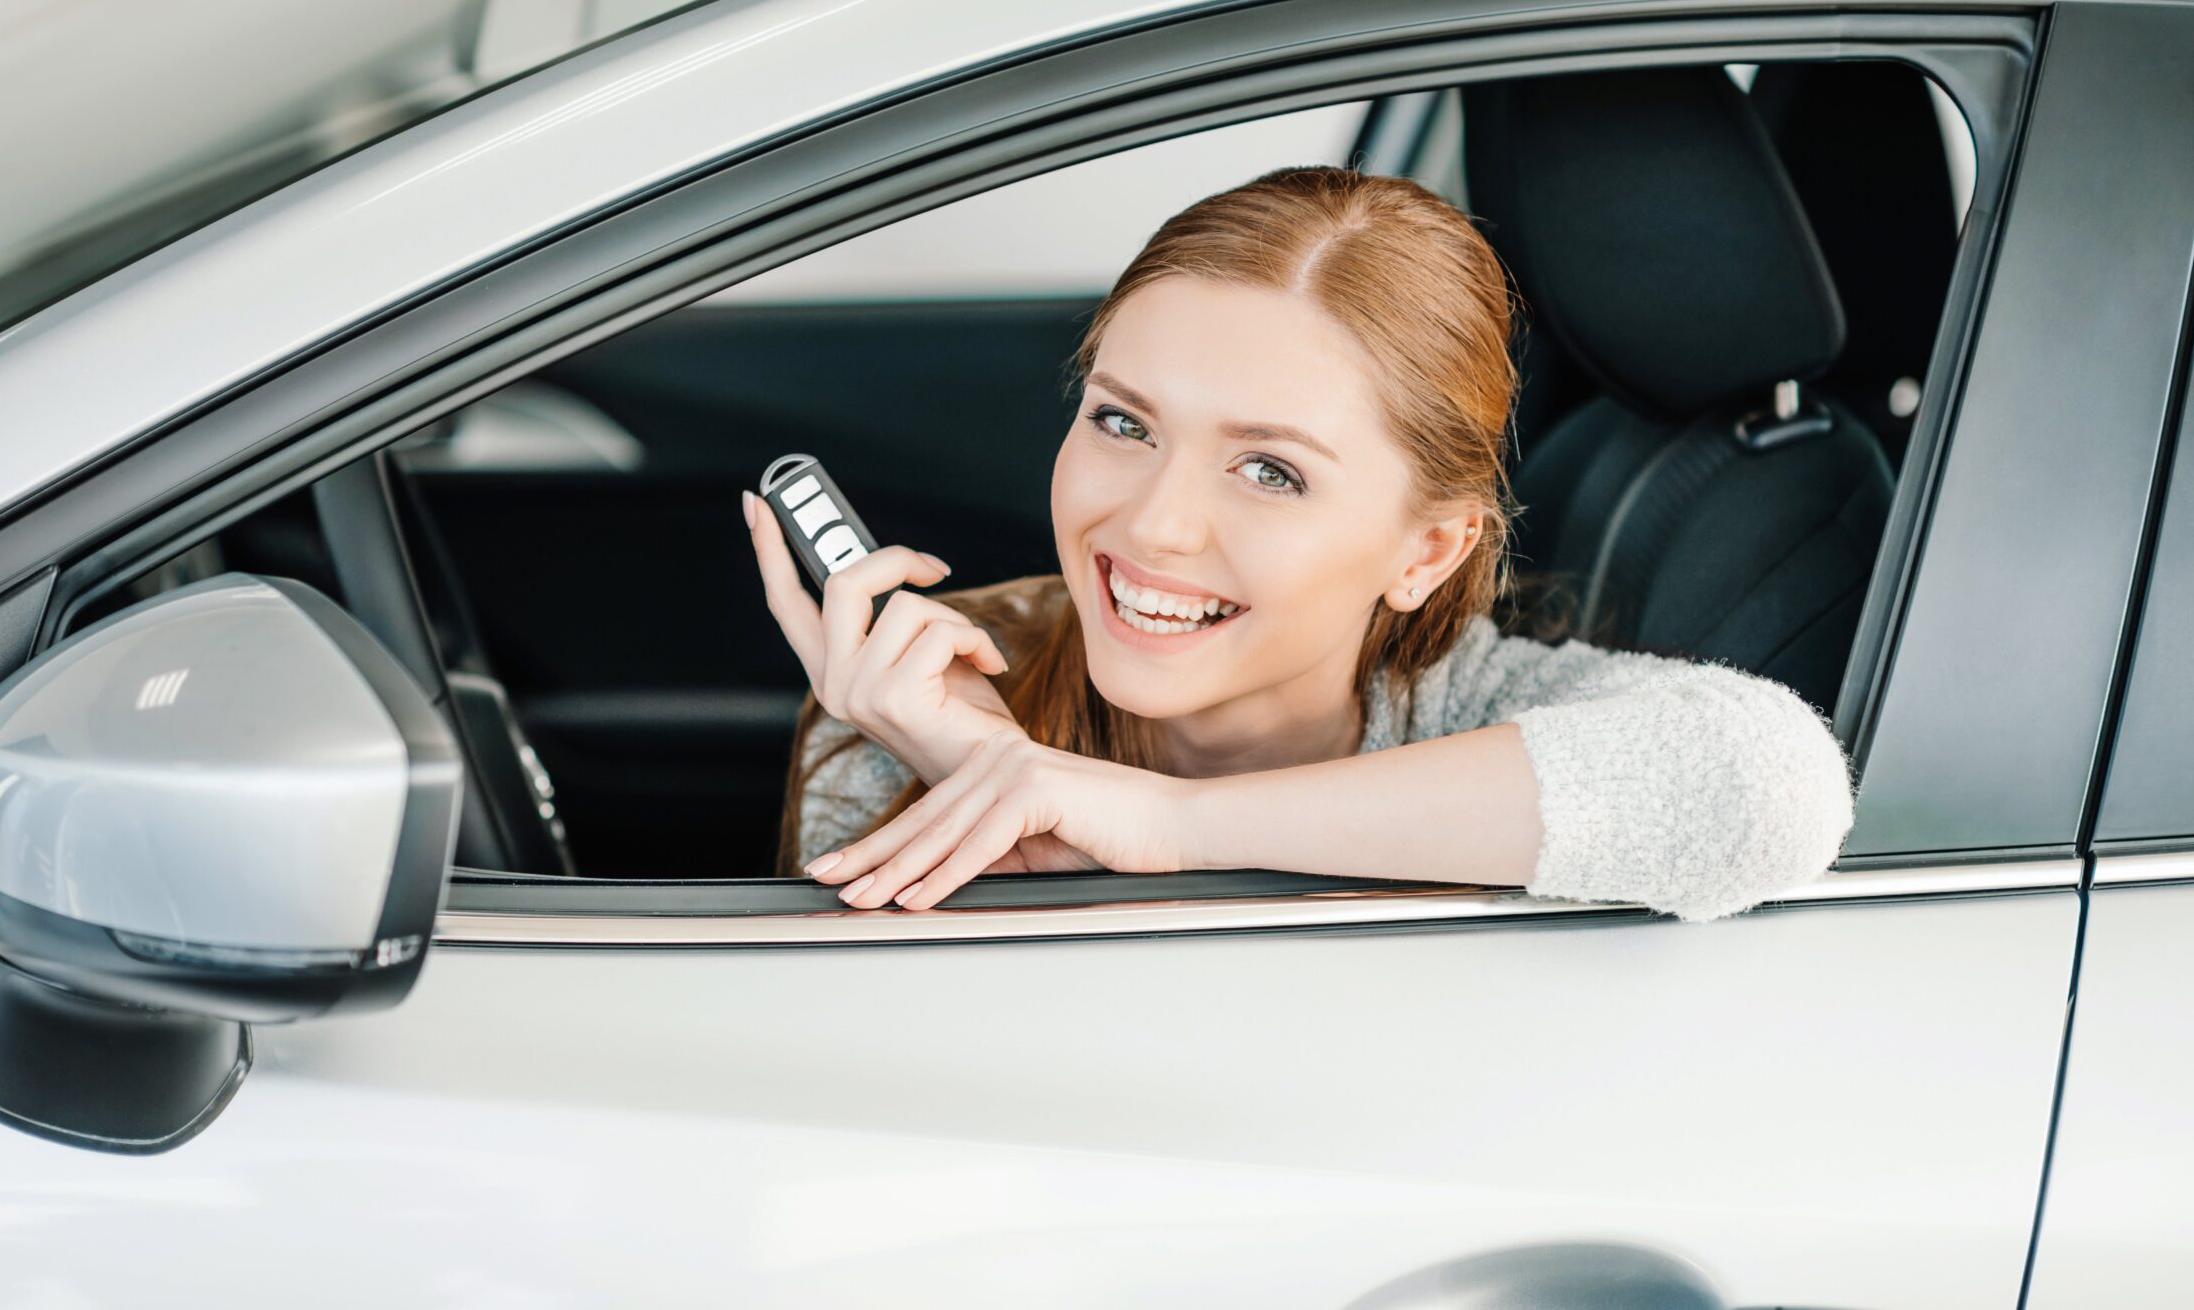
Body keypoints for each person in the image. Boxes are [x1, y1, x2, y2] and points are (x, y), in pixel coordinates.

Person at [741, 164, 1858, 923]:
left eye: (1269, 469)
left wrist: (1162, 826)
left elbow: (1770, 788)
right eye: (1122, 421)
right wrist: (988, 776)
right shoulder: (924, 704)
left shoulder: (1480, 709)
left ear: (1425, 551)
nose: (1152, 523)